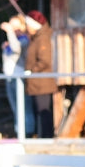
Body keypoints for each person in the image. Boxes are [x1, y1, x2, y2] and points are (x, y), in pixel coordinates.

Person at [24, 10, 57, 138]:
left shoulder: (43, 39)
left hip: (42, 82)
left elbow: (45, 60)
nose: (27, 27)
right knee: (39, 110)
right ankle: (42, 135)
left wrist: (32, 71)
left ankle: (47, 136)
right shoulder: (35, 38)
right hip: (36, 82)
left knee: (44, 111)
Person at [0, 15, 35, 137]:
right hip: (9, 77)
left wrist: (10, 32)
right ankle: (19, 131)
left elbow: (16, 49)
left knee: (25, 106)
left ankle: (28, 132)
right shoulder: (12, 41)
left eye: (15, 26)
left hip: (19, 77)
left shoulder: (24, 39)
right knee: (15, 107)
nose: (13, 29)